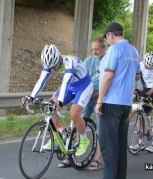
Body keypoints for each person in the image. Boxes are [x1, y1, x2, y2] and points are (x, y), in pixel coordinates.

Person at [25, 44, 93, 156]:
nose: (51, 71)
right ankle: (57, 135)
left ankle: (84, 140)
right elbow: (41, 81)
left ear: (58, 59)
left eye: (53, 67)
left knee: (74, 113)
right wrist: (31, 97)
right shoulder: (50, 63)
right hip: (71, 86)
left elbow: (65, 82)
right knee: (50, 107)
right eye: (49, 68)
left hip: (83, 86)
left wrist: (60, 102)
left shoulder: (69, 62)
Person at [95, 22, 140, 179]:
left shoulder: (114, 49)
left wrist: (99, 100)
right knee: (121, 146)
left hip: (110, 102)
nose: (107, 41)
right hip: (126, 103)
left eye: (107, 38)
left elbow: (108, 76)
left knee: (108, 146)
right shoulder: (134, 51)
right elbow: (138, 76)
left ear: (110, 35)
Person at [57, 37, 107, 170]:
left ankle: (97, 159)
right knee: (76, 123)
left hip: (99, 98)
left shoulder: (109, 61)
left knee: (101, 129)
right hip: (86, 95)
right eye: (93, 49)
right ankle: (70, 154)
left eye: (97, 49)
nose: (94, 52)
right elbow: (81, 77)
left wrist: (97, 95)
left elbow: (110, 82)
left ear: (104, 48)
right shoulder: (89, 60)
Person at [130, 52, 153, 153]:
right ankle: (140, 143)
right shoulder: (139, 65)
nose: (148, 68)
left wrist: (147, 95)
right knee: (141, 118)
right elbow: (137, 77)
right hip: (145, 91)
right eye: (147, 66)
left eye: (150, 67)